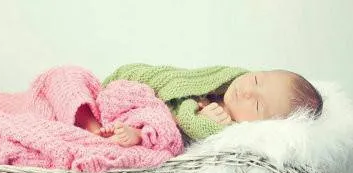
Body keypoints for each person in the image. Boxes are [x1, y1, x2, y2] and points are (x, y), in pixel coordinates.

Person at [0, 66, 184, 173]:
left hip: (77, 114)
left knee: (60, 75)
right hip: (53, 130)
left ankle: (101, 130)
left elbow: (32, 100)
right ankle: (118, 139)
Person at [103, 64, 323, 141]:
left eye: (257, 105)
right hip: (147, 89)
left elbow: (185, 126)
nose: (247, 91)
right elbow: (185, 80)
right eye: (256, 79)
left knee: (156, 124)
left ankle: (109, 126)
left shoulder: (228, 125)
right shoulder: (226, 80)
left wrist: (201, 121)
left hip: (152, 114)